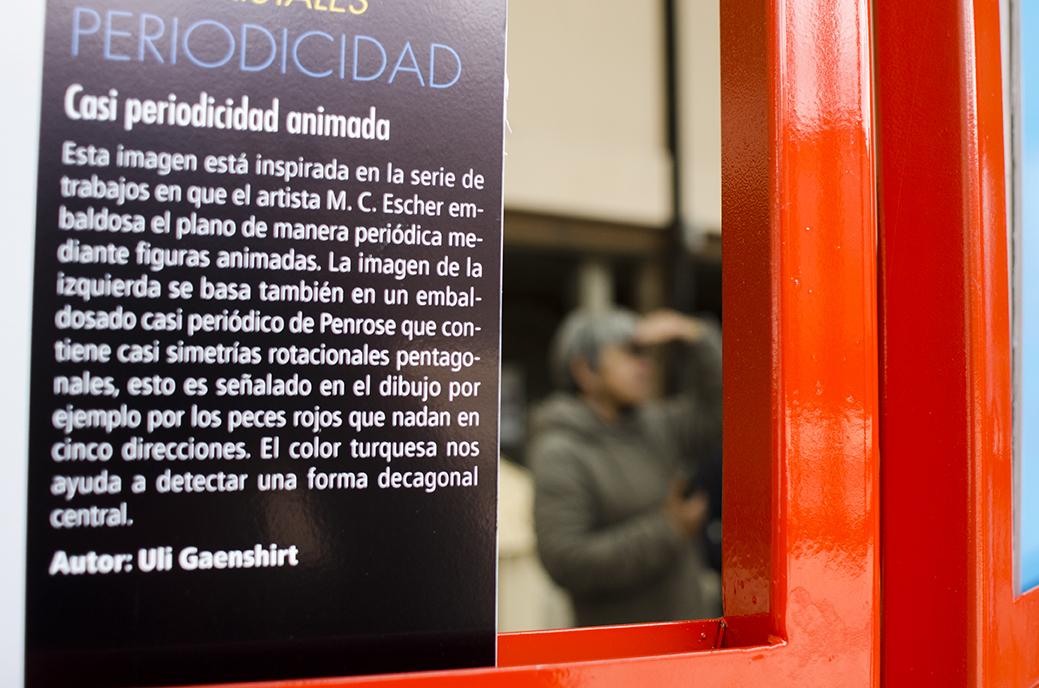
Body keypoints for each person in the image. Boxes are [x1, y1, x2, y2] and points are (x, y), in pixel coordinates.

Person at [528, 307, 722, 627]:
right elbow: (566, 561)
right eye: (631, 353)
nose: (645, 365)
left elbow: (723, 409)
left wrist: (696, 335)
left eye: (647, 354)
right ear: (584, 370)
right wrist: (667, 531)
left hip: (688, 636)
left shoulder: (655, 426)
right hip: (620, 648)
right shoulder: (561, 452)